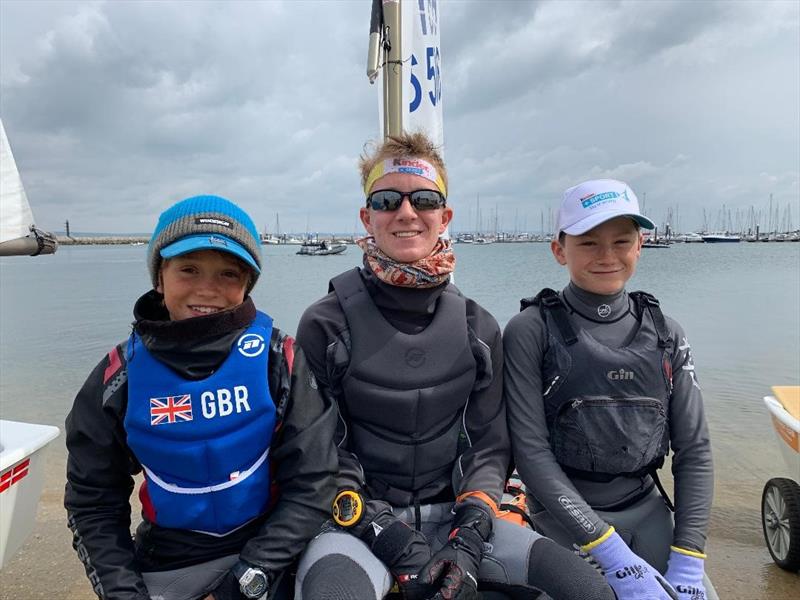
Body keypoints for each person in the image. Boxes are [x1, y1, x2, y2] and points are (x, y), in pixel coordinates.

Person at [293, 133, 614, 600]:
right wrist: (390, 536)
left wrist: (470, 534)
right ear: (368, 217)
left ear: (444, 216)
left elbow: (489, 445)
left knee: (587, 591)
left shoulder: (477, 326)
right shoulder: (325, 323)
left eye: (424, 199)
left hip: (460, 521)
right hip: (356, 524)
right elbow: (318, 452)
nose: (406, 212)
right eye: (387, 200)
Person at [64, 195, 338, 600]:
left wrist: (244, 580)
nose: (207, 290)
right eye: (188, 269)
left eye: (229, 274)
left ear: (248, 284)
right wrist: (123, 592)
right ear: (160, 276)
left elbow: (312, 484)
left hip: (270, 552)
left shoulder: (280, 362)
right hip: (169, 559)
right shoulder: (118, 378)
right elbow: (93, 502)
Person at [503, 179, 717, 600]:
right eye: (588, 243)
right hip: (562, 518)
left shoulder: (666, 333)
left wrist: (690, 557)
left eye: (621, 241)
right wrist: (608, 551)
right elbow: (530, 454)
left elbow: (695, 451)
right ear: (559, 250)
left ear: (640, 246)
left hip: (647, 508)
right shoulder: (530, 330)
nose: (607, 256)